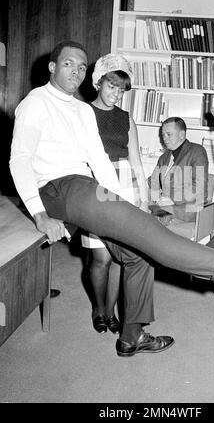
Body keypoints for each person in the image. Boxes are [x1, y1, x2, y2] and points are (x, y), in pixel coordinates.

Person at [9, 40, 214, 357]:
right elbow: (19, 160)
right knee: (144, 233)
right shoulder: (36, 102)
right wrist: (39, 214)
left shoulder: (80, 109)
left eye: (81, 66)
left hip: (87, 185)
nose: (76, 71)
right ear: (52, 67)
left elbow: (99, 159)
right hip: (56, 187)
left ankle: (131, 336)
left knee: (138, 252)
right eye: (68, 64)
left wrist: (120, 203)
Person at [81, 53, 149, 335]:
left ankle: (110, 312)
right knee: (100, 257)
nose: (116, 94)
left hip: (124, 188)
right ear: (98, 82)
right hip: (94, 183)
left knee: (122, 257)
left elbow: (136, 160)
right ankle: (98, 308)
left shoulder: (126, 119)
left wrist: (144, 199)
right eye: (111, 86)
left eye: (121, 90)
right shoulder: (82, 113)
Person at [148, 116, 208, 238]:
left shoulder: (197, 151)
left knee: (147, 222)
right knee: (138, 207)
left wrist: (172, 198)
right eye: (163, 135)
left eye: (168, 134)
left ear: (182, 134)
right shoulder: (164, 157)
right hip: (164, 206)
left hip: (187, 208)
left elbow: (199, 187)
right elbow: (153, 181)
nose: (164, 138)